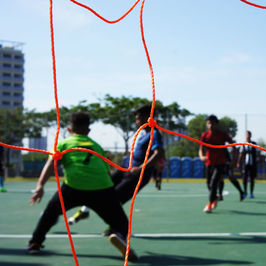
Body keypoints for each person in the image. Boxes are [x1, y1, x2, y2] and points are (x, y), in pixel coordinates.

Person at [27, 112, 137, 262]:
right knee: (122, 223)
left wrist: (40, 186)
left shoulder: (64, 144)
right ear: (88, 131)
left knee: (49, 214)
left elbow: (51, 164)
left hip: (73, 188)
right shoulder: (96, 146)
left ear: (69, 129)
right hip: (102, 188)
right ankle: (120, 236)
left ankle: (35, 243)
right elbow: (106, 171)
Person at [68, 105, 164, 229]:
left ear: (147, 117)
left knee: (116, 198)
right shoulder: (142, 133)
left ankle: (116, 227)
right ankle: (84, 211)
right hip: (126, 169)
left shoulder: (154, 133)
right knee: (101, 186)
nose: (136, 120)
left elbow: (159, 153)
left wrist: (141, 167)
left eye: (138, 117)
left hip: (138, 174)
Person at [199, 115, 235, 213]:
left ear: (216, 124)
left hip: (220, 163)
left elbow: (234, 146)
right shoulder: (205, 135)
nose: (210, 125)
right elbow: (201, 148)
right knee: (209, 184)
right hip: (209, 163)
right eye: (208, 123)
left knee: (214, 183)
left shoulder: (222, 135)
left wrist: (233, 161)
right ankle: (215, 198)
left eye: (212, 123)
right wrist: (202, 156)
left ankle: (209, 205)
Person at [237, 131, 259, 199]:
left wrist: (259, 161)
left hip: (252, 164)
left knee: (252, 179)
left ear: (251, 136)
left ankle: (251, 193)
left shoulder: (254, 144)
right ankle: (245, 191)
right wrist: (238, 162)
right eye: (246, 135)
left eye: (249, 135)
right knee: (244, 178)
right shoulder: (243, 144)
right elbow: (240, 154)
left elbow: (258, 152)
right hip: (245, 164)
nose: (248, 136)